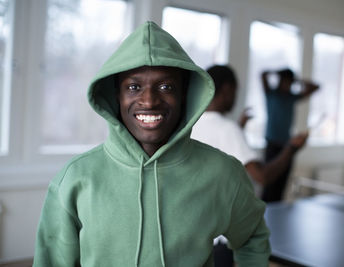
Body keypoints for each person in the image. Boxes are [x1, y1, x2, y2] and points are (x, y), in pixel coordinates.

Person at [33, 21, 270, 267]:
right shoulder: (75, 179)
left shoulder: (223, 173)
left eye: (166, 86)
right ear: (116, 95)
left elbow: (252, 237)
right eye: (134, 87)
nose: (149, 100)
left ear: (184, 95)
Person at [191, 65, 307, 267]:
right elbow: (262, 176)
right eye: (236, 91)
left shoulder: (191, 123)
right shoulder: (227, 129)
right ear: (227, 90)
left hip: (193, 234)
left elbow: (216, 151)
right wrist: (291, 149)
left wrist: (239, 127)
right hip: (219, 239)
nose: (236, 97)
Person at [261, 68, 319, 202]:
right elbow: (263, 74)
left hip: (287, 147)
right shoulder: (271, 94)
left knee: (281, 186)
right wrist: (277, 73)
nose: (287, 84)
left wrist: (296, 80)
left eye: (289, 82)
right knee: (268, 185)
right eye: (285, 81)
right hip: (272, 146)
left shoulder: (292, 97)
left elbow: (316, 87)